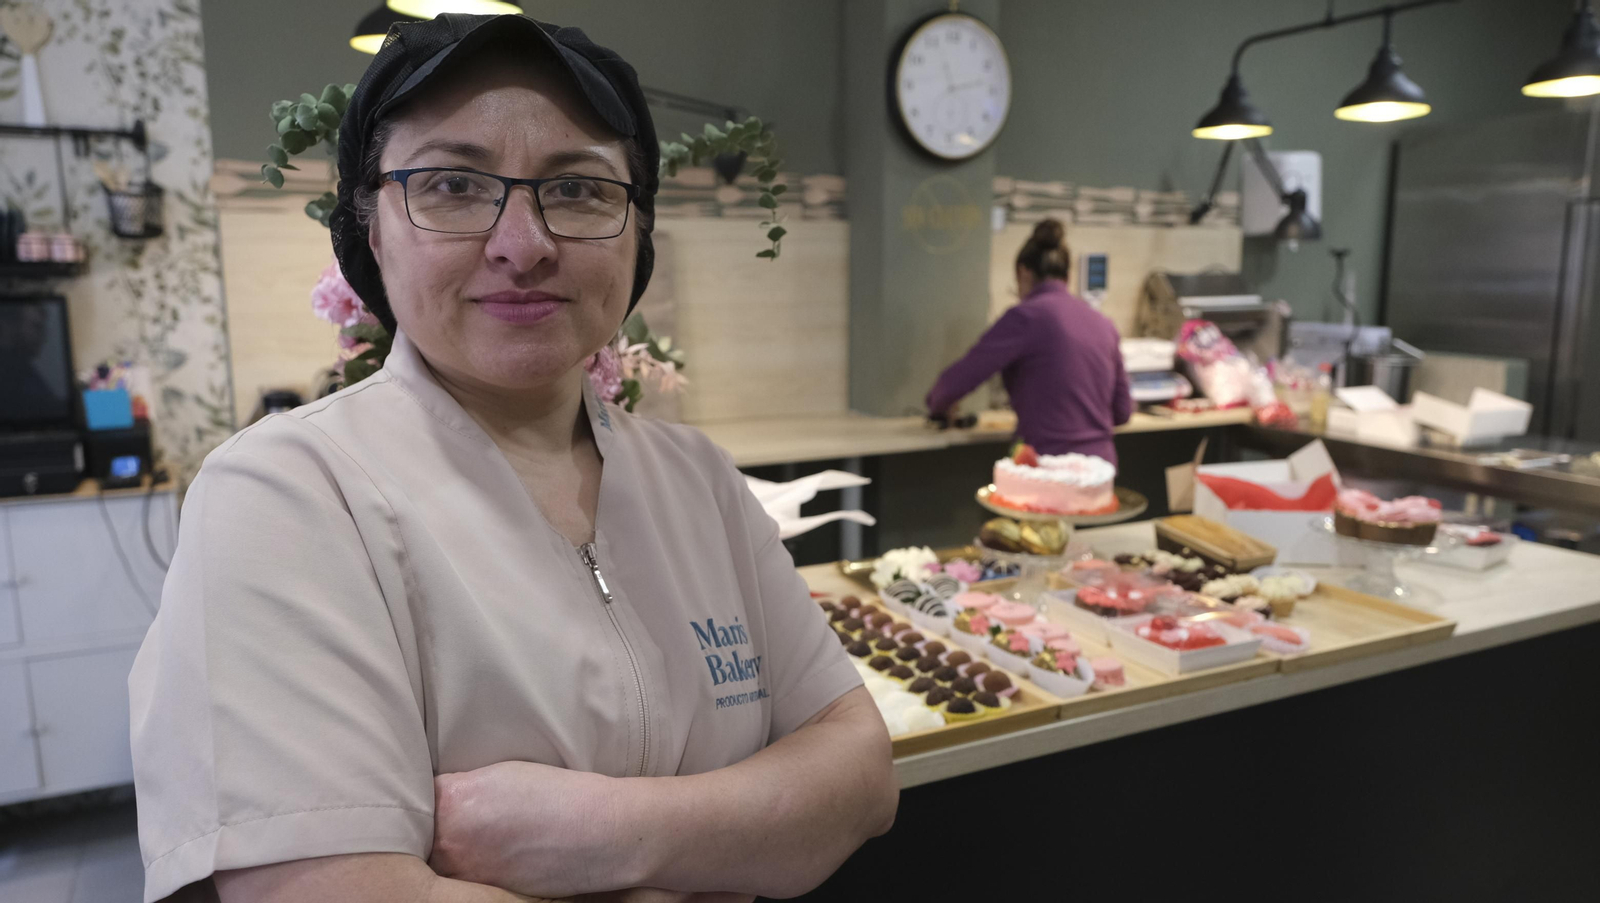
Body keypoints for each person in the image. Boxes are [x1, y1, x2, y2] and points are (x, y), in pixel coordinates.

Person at [128, 14, 896, 903]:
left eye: (578, 190)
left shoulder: (698, 479)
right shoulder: (287, 496)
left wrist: (601, 833)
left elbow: (859, 770)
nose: (523, 244)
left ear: (637, 234)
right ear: (370, 230)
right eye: (453, 184)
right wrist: (739, 841)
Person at [925, 218, 1132, 464]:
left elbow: (959, 379)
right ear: (1067, 277)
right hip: (1101, 469)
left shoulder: (1025, 317)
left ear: (1023, 272)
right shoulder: (1104, 324)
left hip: (1046, 466)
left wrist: (938, 405)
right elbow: (1122, 412)